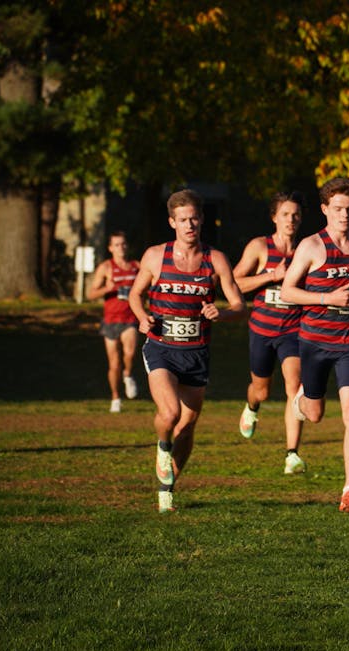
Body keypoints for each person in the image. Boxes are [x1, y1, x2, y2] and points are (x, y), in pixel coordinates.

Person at [129, 189, 246, 514]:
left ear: (202, 219)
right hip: (161, 347)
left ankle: (167, 488)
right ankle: (162, 446)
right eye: (183, 220)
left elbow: (239, 305)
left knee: (188, 424)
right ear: (172, 222)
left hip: (196, 353)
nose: (189, 225)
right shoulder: (155, 256)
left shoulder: (216, 259)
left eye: (194, 218)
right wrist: (141, 317)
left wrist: (222, 313)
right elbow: (135, 295)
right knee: (170, 414)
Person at [279, 177, 349, 513]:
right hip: (314, 342)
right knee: (314, 415)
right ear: (325, 209)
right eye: (338, 208)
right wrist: (327, 298)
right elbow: (287, 291)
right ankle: (302, 398)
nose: (345, 215)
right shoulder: (311, 246)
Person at [233, 192, 308, 475]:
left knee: (295, 386)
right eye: (285, 214)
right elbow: (235, 283)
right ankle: (252, 406)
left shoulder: (306, 249)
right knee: (262, 391)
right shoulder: (260, 247)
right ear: (274, 217)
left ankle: (292, 454)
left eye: (296, 214)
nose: (291, 219)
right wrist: (271, 276)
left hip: (294, 331)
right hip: (262, 330)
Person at [86, 231, 141, 413]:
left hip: (130, 318)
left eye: (123, 244)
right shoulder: (106, 268)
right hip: (110, 320)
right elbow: (90, 294)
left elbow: (148, 287)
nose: (121, 248)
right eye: (117, 245)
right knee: (114, 363)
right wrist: (106, 288)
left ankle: (128, 375)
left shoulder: (136, 266)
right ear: (110, 248)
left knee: (130, 353)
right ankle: (116, 397)